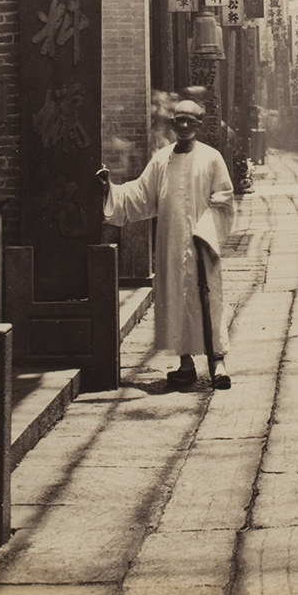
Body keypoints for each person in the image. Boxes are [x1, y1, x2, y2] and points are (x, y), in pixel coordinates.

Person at [96, 98, 235, 390]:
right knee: (176, 299)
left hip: (202, 244)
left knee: (208, 299)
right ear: (172, 124)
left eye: (189, 121)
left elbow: (223, 201)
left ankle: (217, 362)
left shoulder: (212, 158)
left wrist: (206, 232)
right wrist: (112, 190)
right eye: (178, 120)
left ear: (198, 125)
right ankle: (186, 364)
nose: (183, 126)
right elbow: (142, 194)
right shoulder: (162, 159)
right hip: (171, 243)